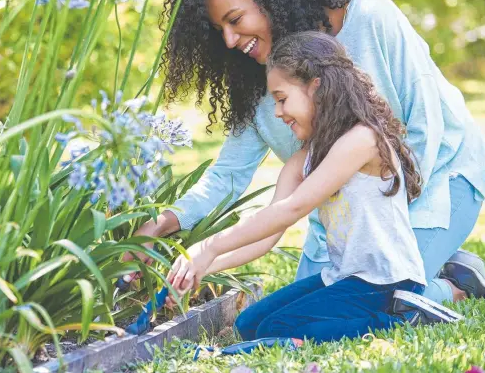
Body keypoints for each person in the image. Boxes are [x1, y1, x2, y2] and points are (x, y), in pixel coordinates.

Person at [123, 0, 485, 305]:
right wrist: (160, 225)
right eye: (221, 32)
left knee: (386, 297)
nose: (231, 40)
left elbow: (427, 126)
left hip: (440, 178)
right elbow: (226, 177)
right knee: (307, 305)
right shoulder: (258, 86)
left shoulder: (371, 18)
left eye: (235, 20)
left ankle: (457, 286)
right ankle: (440, 263)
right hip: (346, 216)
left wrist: (392, 232)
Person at [165, 32, 462, 342]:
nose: (278, 112)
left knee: (275, 330)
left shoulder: (363, 140)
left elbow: (293, 208)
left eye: (282, 99)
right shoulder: (304, 158)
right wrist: (203, 267)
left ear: (315, 86)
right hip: (344, 277)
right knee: (249, 324)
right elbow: (269, 232)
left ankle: (407, 319)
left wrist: (209, 246)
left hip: (386, 282)